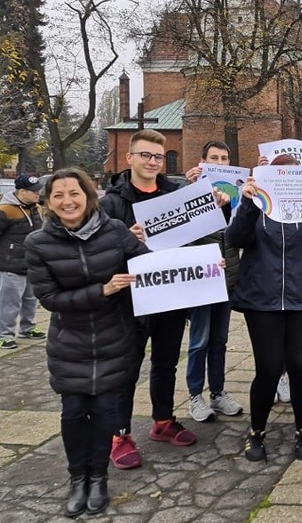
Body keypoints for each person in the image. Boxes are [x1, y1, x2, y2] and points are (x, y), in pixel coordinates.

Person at [25, 168, 149, 517]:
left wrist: (202, 268)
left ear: (88, 195)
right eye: (59, 195)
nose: (68, 201)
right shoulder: (38, 244)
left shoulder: (115, 231)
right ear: (48, 202)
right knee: (75, 413)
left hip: (114, 338)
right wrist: (103, 290)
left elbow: (150, 266)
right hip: (71, 343)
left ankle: (99, 478)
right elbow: (49, 298)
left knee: (106, 412)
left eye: (74, 193)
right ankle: (77, 479)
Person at [227, 154, 302, 462]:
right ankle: (256, 433)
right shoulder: (258, 209)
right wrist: (249, 203)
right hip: (261, 300)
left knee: (301, 368)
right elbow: (235, 237)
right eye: (281, 174)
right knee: (267, 369)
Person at [100, 129, 196, 470]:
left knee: (167, 362)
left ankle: (163, 420)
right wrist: (123, 237)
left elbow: (192, 241)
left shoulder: (175, 195)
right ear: (129, 158)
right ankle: (119, 434)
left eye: (157, 156)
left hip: (169, 294)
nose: (152, 162)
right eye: (145, 155)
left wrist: (208, 264)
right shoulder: (112, 202)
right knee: (127, 368)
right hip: (130, 300)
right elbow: (92, 250)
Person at [183, 141, 243, 422]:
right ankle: (195, 395)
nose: (220, 162)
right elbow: (183, 234)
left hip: (227, 277)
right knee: (199, 340)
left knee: (219, 340)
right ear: (202, 161)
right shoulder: (189, 194)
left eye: (224, 158)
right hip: (200, 280)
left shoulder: (234, 194)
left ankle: (218, 393)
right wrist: (192, 190)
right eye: (214, 158)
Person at [0, 174, 45, 349]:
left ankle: (28, 327)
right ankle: (4, 334)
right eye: (34, 191)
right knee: (10, 303)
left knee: (31, 298)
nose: (37, 194)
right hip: (10, 264)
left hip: (32, 264)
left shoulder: (37, 208)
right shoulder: (5, 210)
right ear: (22, 191)